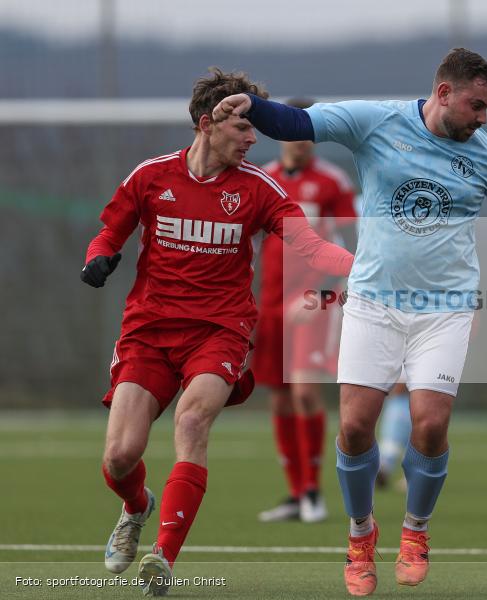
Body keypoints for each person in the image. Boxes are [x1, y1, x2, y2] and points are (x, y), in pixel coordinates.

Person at [213, 47, 487, 596]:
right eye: (476, 105)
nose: (483, 118)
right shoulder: (376, 121)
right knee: (355, 428)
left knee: (429, 423)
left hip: (445, 309)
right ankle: (360, 536)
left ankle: (415, 532)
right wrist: (253, 106)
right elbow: (299, 123)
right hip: (374, 303)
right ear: (444, 93)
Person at [82, 68, 353, 597]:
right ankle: (137, 507)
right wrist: (98, 258)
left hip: (220, 332)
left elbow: (313, 247)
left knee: (192, 419)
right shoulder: (151, 177)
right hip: (148, 332)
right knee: (120, 457)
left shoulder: (259, 188)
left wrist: (362, 267)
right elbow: (109, 232)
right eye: (244, 129)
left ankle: (164, 556)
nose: (255, 139)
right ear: (208, 124)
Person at [254, 98, 358, 524]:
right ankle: (296, 494)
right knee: (279, 399)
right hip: (270, 303)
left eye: (308, 132)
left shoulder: (332, 182)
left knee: (304, 391)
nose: (301, 141)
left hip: (314, 302)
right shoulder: (263, 180)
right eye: (293, 131)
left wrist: (319, 292)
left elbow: (352, 247)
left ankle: (314, 491)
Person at [375, 383, 412, 491]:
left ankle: (383, 468)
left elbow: (401, 384)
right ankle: (410, 477)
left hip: (399, 404)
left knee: (391, 440)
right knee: (409, 442)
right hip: (410, 403)